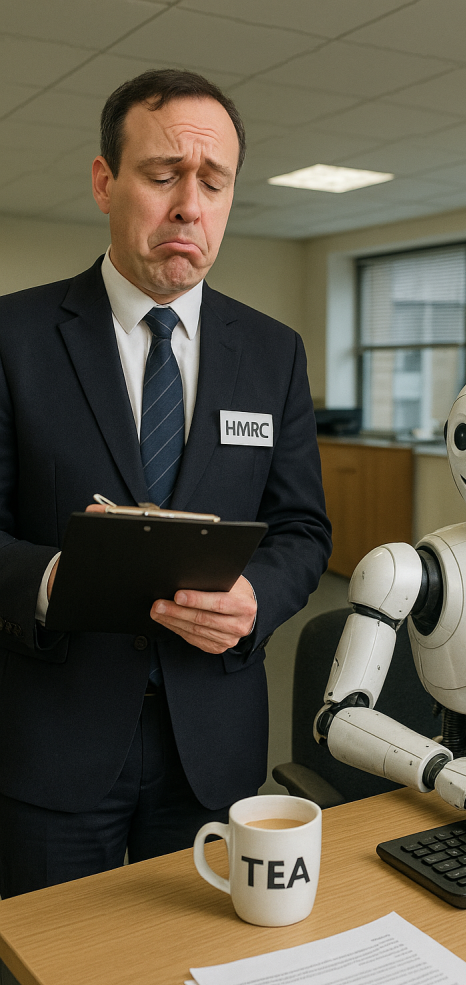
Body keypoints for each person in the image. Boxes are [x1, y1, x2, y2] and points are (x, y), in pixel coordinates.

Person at [0, 69, 331, 898]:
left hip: (211, 745)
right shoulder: (14, 336)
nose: (189, 204)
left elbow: (301, 530)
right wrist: (53, 581)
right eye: (162, 176)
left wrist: (256, 596)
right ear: (106, 183)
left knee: (187, 983)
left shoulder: (272, 352)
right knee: (48, 984)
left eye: (212, 183)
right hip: (52, 738)